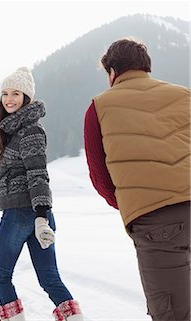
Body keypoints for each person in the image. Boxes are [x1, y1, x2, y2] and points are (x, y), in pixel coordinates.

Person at [0, 67, 83, 321]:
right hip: (33, 216)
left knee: (1, 276)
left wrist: (41, 216)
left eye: (15, 93)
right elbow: (3, 168)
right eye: (4, 93)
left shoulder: (30, 130)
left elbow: (38, 173)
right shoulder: (17, 130)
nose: (9, 99)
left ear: (26, 97)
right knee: (49, 279)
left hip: (23, 214)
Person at [84, 38, 190, 321]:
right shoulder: (184, 95)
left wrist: (132, 203)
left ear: (112, 72)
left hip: (156, 223)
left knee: (173, 313)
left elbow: (98, 173)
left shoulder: (99, 106)